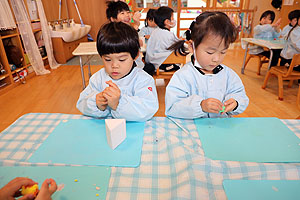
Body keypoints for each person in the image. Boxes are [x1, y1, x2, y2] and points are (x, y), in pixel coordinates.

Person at [165, 11, 249, 119]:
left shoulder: (228, 75)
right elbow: (172, 108)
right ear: (191, 46)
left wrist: (236, 102)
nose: (216, 59)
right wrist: (200, 106)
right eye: (210, 52)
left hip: (221, 128)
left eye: (223, 52)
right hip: (193, 130)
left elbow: (241, 95)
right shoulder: (183, 76)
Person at [76, 22, 159, 121]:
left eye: (122, 60)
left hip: (133, 130)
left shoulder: (143, 80)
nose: (114, 65)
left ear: (135, 55)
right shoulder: (98, 78)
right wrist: (95, 103)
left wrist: (118, 104)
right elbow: (81, 103)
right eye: (108, 59)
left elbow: (148, 110)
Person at [106, 0, 144, 69]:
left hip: (137, 67)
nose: (127, 15)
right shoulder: (113, 33)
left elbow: (140, 43)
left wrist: (136, 25)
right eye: (122, 13)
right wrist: (136, 25)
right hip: (124, 69)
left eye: (128, 12)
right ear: (113, 19)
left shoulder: (129, 29)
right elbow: (135, 43)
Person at [144, 6, 181, 76]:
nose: (174, 20)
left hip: (153, 62)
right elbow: (178, 46)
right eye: (172, 18)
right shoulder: (168, 34)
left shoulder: (155, 32)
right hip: (162, 63)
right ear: (167, 21)